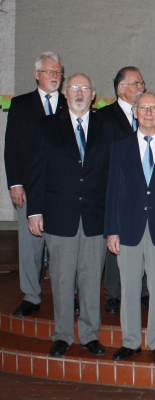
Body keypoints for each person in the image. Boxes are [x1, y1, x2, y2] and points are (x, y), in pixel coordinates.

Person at [28, 73, 111, 358]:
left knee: (90, 278)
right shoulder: (48, 126)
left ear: (93, 94)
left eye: (84, 88)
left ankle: (89, 334)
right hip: (58, 215)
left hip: (94, 218)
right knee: (62, 278)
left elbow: (112, 176)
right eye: (74, 87)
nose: (79, 92)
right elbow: (36, 172)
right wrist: (34, 211)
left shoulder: (105, 127)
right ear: (65, 94)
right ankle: (62, 335)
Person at [106, 92, 155, 363]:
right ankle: (130, 341)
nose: (149, 112)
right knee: (128, 288)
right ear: (135, 113)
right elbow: (112, 192)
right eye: (144, 108)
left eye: (154, 108)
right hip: (128, 228)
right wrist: (111, 230)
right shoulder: (120, 147)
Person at [5, 52, 67, 317]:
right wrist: (15, 183)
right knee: (31, 245)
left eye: (58, 72)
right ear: (36, 75)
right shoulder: (21, 105)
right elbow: (12, 147)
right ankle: (31, 296)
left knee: (63, 248)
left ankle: (67, 296)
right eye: (49, 72)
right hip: (30, 186)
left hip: (62, 190)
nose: (54, 76)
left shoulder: (70, 103)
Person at [96, 66, 149, 314]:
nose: (142, 88)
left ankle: (143, 291)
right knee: (116, 242)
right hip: (116, 190)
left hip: (144, 193)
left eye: (142, 84)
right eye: (137, 83)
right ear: (121, 88)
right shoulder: (104, 117)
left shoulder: (146, 113)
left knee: (143, 241)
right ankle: (114, 294)